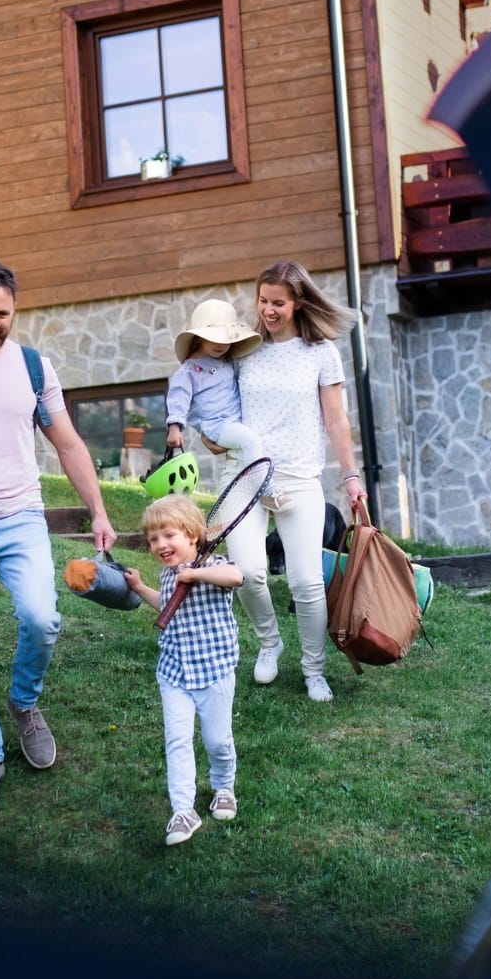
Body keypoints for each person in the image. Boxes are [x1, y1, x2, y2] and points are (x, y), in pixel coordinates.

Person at [0, 257, 117, 815]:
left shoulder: (35, 368)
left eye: (2, 314)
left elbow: (69, 445)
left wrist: (100, 511)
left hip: (19, 520)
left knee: (42, 618)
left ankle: (24, 703)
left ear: (15, 311)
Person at [204, 260, 368, 704]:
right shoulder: (242, 350)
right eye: (263, 301)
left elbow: (335, 419)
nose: (269, 310)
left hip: (299, 476)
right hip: (245, 476)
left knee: (307, 581)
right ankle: (269, 643)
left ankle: (314, 670)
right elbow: (217, 405)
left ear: (298, 303)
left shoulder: (320, 353)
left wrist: (351, 475)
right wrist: (209, 435)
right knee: (249, 573)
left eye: (278, 302)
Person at [124, 494, 243, 846]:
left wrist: (196, 573)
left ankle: (224, 786)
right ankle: (183, 811)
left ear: (192, 535)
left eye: (168, 535)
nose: (160, 544)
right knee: (177, 740)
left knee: (217, 740)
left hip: (214, 671)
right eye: (153, 539)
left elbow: (236, 576)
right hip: (174, 673)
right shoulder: (166, 575)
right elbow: (167, 604)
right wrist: (141, 587)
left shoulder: (215, 564)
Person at [165, 298, 263, 465]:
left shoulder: (227, 361)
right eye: (214, 338)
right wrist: (174, 429)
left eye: (226, 340)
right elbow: (178, 398)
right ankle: (266, 487)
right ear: (199, 338)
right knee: (250, 440)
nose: (221, 345)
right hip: (218, 426)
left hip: (237, 421)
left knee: (251, 442)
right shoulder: (189, 371)